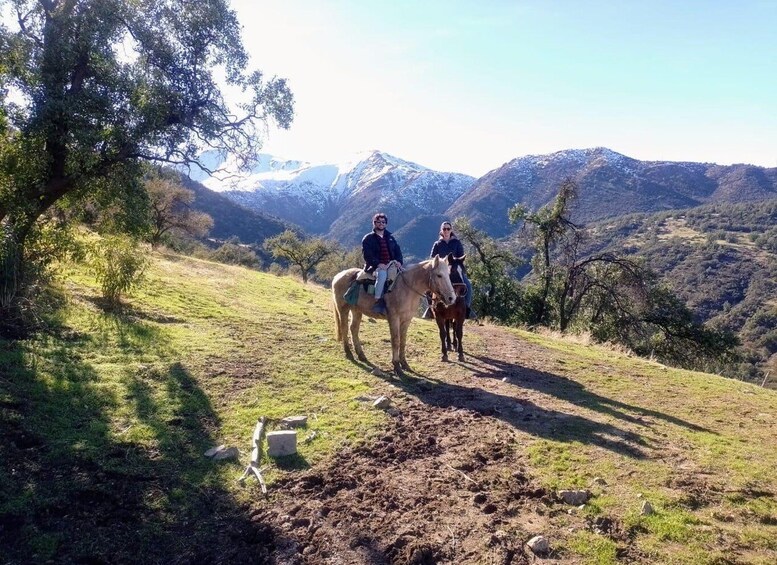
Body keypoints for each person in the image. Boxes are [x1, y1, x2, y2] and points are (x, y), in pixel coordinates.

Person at [427, 221, 476, 319]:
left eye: (448, 229)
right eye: (444, 229)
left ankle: (467, 308)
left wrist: (455, 262)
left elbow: (461, 256)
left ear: (451, 230)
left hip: (455, 271)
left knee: (468, 286)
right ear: (441, 231)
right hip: (441, 272)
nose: (446, 231)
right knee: (428, 288)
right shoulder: (437, 244)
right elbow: (432, 259)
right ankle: (430, 309)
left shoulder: (456, 243)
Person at [362, 212, 403, 315]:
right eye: (378, 222)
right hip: (375, 266)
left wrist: (399, 261)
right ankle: (378, 301)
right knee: (382, 275)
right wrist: (378, 264)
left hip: (391, 264)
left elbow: (398, 251)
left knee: (403, 277)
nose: (381, 224)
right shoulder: (368, 238)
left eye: (383, 222)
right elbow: (367, 255)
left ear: (386, 224)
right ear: (374, 223)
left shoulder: (390, 237)